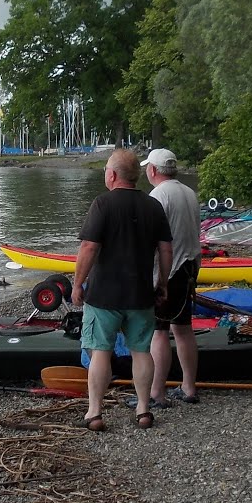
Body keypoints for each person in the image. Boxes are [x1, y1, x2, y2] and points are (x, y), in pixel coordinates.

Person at [71, 148, 172, 430]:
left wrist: (78, 284)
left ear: (112, 175)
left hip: (104, 295)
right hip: (140, 293)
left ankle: (95, 412)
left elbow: (89, 247)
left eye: (105, 170)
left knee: (100, 351)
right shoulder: (153, 206)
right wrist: (162, 283)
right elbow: (166, 249)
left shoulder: (102, 204)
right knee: (142, 351)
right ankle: (142, 410)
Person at [128, 148, 201, 409]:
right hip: (190, 267)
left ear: (153, 170)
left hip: (169, 272)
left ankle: (157, 393)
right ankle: (189, 387)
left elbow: (150, 239)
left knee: (159, 332)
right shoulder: (189, 193)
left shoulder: (158, 195)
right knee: (183, 329)